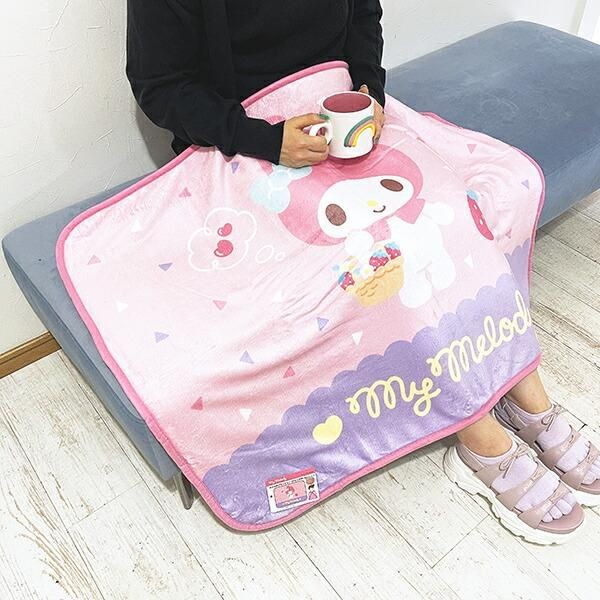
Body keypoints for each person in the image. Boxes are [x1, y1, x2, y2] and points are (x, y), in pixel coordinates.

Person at [126, 1, 600, 543]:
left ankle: (523, 391)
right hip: (246, 147)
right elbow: (159, 85)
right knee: (377, 256)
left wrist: (370, 95)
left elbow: (363, 16)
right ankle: (477, 431)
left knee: (453, 206)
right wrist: (265, 138)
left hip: (347, 124)